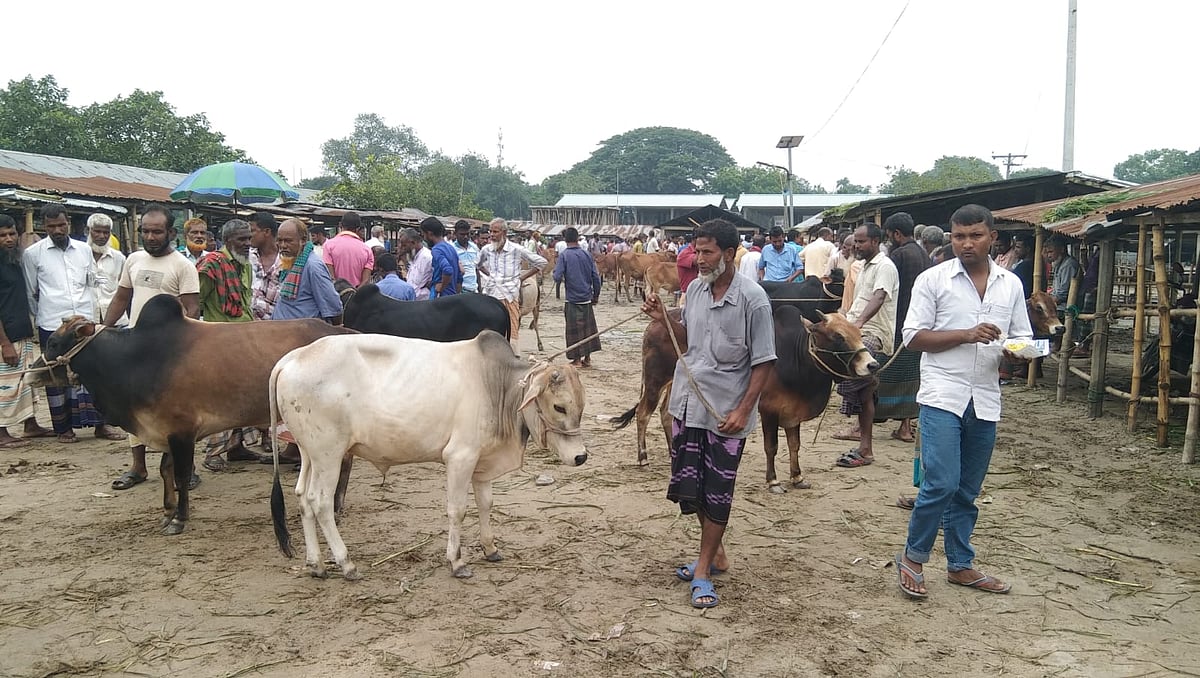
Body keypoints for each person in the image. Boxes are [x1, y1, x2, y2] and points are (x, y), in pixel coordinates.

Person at [896, 204, 1031, 599]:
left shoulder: (1010, 284)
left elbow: (1019, 337)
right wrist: (965, 334)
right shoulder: (933, 280)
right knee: (940, 482)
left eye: (975, 235)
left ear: (993, 237)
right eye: (959, 236)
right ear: (950, 238)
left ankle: (960, 564)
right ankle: (913, 557)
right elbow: (913, 337)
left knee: (967, 489)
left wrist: (1017, 353)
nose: (966, 243)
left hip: (986, 396)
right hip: (943, 393)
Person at [640, 218, 776, 609]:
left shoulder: (753, 299)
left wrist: (742, 410)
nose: (697, 259)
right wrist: (663, 317)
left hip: (725, 412)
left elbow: (764, 362)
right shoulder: (695, 291)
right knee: (692, 488)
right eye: (696, 251)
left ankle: (702, 571)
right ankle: (714, 556)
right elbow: (690, 342)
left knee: (718, 492)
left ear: (729, 254)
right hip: (687, 403)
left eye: (707, 252)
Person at [104, 204, 200, 490]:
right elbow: (121, 298)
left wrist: (171, 340)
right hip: (136, 349)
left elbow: (192, 310)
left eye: (157, 231)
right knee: (135, 407)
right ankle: (138, 467)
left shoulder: (183, 266)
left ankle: (186, 469)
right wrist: (103, 329)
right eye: (145, 231)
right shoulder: (133, 260)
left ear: (171, 232)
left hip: (170, 353)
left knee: (178, 413)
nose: (150, 236)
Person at [23, 204, 126, 445]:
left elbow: (91, 285)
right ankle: (63, 428)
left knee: (93, 374)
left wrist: (91, 319)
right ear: (43, 227)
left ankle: (101, 425)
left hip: (84, 323)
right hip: (52, 323)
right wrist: (41, 318)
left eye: (61, 225)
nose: (57, 230)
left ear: (68, 222)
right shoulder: (33, 254)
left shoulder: (83, 250)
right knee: (55, 376)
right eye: (51, 227)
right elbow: (31, 292)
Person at [196, 219, 265, 471]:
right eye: (241, 240)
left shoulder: (246, 265)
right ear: (227, 241)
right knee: (221, 401)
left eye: (249, 238)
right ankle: (213, 453)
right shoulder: (211, 265)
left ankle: (237, 447)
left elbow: (246, 302)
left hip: (244, 340)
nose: (247, 243)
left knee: (242, 397)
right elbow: (195, 303)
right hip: (219, 343)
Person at [832, 222, 899, 468]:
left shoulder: (885, 266)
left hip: (873, 333)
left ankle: (866, 449)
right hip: (856, 328)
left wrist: (858, 323)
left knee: (859, 381)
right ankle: (864, 445)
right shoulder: (863, 267)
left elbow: (879, 296)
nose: (857, 246)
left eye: (861, 241)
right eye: (855, 241)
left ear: (875, 241)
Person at [0, 215, 53, 447]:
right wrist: (4, 343)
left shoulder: (15, 260)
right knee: (6, 386)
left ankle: (30, 424)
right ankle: (1, 431)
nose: (8, 239)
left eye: (12, 234)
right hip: (7, 336)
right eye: (2, 235)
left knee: (26, 382)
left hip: (24, 331)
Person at [882, 212, 930, 444]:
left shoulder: (898, 255)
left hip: (899, 325)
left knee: (885, 375)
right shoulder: (924, 253)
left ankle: (865, 425)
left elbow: (887, 293)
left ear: (897, 234)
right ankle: (905, 426)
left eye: (889, 235)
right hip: (921, 326)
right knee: (913, 377)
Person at [478, 218, 546, 344]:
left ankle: (512, 358)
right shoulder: (486, 250)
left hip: (509, 295)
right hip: (491, 295)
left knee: (512, 330)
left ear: (504, 233)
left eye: (495, 232)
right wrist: (491, 276)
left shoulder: (516, 249)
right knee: (491, 330)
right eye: (490, 231)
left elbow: (541, 262)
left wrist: (521, 278)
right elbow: (478, 264)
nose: (492, 235)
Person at [272, 219, 342, 323]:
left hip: (302, 334)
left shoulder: (313, 266)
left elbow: (333, 307)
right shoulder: (290, 261)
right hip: (282, 331)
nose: (282, 246)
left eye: (288, 241)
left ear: (303, 240)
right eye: (280, 240)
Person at [552, 227, 602, 368]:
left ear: (565, 239)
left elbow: (556, 277)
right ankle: (587, 358)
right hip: (586, 298)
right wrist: (595, 295)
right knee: (587, 329)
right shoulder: (587, 255)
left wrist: (557, 274)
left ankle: (577, 360)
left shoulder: (564, 256)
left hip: (572, 299)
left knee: (573, 330)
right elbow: (596, 278)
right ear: (577, 238)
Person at [88, 213, 127, 328]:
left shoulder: (119, 258)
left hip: (116, 321)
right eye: (97, 231)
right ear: (88, 231)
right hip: (88, 320)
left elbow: (124, 289)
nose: (102, 236)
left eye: (106, 232)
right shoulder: (80, 256)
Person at [322, 211, 373, 287]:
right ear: (358, 228)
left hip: (336, 295)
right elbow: (365, 281)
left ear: (340, 225)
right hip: (357, 296)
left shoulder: (328, 246)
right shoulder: (367, 249)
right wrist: (353, 294)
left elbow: (330, 277)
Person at [249, 212, 282, 321]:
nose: (249, 235)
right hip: (248, 325)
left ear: (267, 232)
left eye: (253, 231)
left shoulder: (286, 260)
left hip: (277, 325)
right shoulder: (247, 257)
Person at [420, 217, 461, 298]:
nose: (424, 238)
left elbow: (448, 270)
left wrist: (441, 287)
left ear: (430, 234)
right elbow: (460, 274)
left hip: (440, 298)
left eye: (424, 235)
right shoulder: (451, 248)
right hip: (452, 297)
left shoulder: (436, 250)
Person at [399, 228, 433, 300]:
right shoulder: (414, 257)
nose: (403, 248)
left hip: (423, 302)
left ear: (413, 243)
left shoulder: (427, 257)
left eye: (405, 245)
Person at [452, 220, 480, 293]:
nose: (465, 237)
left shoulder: (474, 247)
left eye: (467, 234)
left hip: (474, 289)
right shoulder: (452, 249)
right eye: (462, 234)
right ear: (455, 234)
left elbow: (476, 270)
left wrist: (480, 291)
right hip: (460, 290)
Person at [676, 232, 699, 306]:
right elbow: (698, 261)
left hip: (700, 292)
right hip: (688, 293)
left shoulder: (696, 252)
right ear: (694, 240)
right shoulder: (684, 254)